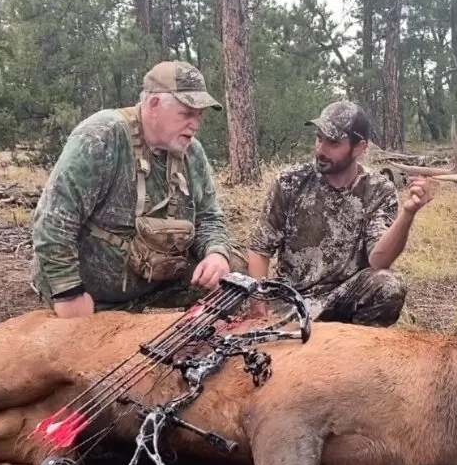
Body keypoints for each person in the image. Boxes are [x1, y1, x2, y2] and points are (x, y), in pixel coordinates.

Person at [30, 60, 243, 319]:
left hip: (156, 282)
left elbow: (209, 217)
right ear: (154, 105)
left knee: (237, 273)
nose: (195, 124)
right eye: (187, 113)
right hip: (93, 294)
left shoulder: (192, 153)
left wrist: (217, 254)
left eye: (200, 115)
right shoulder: (102, 137)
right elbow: (54, 219)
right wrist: (68, 293)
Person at [247, 100, 433, 327]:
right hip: (291, 300)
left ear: (360, 147)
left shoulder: (378, 190)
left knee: (389, 285)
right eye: (319, 138)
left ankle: (356, 349)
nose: (320, 150)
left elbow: (379, 259)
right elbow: (259, 249)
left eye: (333, 143)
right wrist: (259, 309)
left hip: (345, 298)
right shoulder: (290, 182)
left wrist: (408, 213)